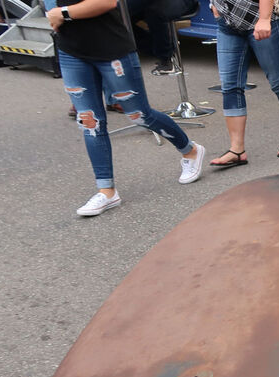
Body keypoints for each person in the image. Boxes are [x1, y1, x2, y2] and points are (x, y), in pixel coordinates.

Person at [46, 0, 206, 217]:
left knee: (140, 115)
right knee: (89, 121)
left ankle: (191, 151)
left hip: (111, 49)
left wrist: (62, 13)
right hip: (70, 49)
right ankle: (107, 191)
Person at [208, 0, 279, 167]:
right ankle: (237, 149)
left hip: (259, 19)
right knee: (230, 85)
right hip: (228, 22)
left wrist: (265, 18)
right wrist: (214, 6)